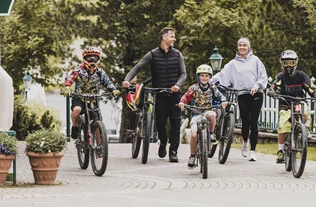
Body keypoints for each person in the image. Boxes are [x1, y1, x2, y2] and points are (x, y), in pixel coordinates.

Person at [122, 27, 187, 162]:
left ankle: (173, 151)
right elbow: (138, 67)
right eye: (172, 36)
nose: (174, 39)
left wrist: (178, 85)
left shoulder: (178, 54)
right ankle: (163, 142)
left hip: (174, 94)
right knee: (161, 123)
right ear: (164, 38)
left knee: (175, 123)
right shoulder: (152, 54)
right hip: (159, 93)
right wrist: (127, 80)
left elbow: (183, 73)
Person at [212, 37, 268, 162]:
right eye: (240, 45)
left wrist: (256, 86)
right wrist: (211, 81)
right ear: (238, 47)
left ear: (248, 47)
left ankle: (253, 151)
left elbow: (263, 76)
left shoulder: (256, 60)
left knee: (254, 122)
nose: (242, 47)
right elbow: (222, 74)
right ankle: (245, 142)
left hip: (256, 94)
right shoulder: (233, 63)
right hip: (242, 94)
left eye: (244, 45)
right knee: (245, 121)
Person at [267, 49, 316, 163]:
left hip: (299, 101)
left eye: (291, 63)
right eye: (285, 62)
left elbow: (310, 87)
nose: (288, 66)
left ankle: (303, 129)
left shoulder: (301, 76)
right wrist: (271, 91)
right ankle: (281, 151)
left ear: (295, 63)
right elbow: (274, 86)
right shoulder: (281, 77)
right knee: (282, 126)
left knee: (305, 112)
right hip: (286, 105)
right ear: (281, 64)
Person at [61, 46, 120, 140]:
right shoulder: (78, 70)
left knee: (97, 121)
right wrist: (67, 87)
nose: (92, 60)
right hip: (79, 98)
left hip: (93, 99)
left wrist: (113, 90)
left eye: (95, 58)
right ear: (84, 58)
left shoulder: (100, 72)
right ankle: (75, 126)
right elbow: (70, 78)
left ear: (98, 59)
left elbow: (107, 82)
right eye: (89, 57)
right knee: (76, 110)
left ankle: (100, 147)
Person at [177, 64, 227, 169]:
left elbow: (220, 95)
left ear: (210, 77)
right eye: (202, 75)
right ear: (198, 77)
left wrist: (223, 101)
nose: (204, 78)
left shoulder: (212, 87)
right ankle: (192, 155)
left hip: (208, 111)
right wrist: (182, 102)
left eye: (206, 76)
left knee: (212, 114)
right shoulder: (194, 88)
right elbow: (186, 96)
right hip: (197, 113)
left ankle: (212, 134)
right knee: (194, 135)